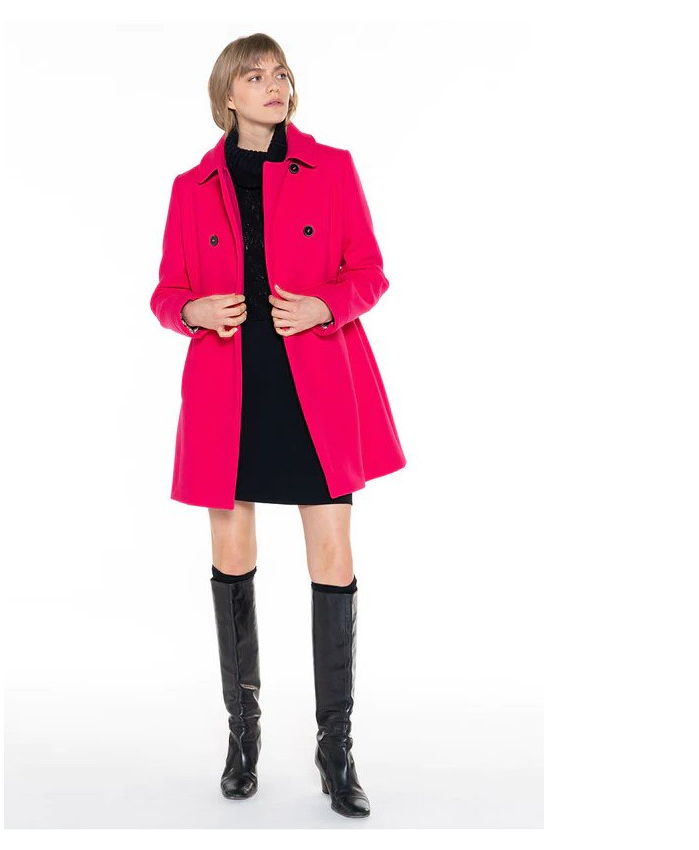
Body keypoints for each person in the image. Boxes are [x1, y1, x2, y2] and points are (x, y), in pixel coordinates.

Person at [150, 33, 406, 819]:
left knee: (333, 553)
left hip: (316, 384)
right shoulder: (191, 186)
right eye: (256, 75)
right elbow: (165, 293)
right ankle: (243, 738)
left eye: (282, 74)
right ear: (226, 94)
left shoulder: (333, 168)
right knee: (232, 554)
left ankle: (337, 748)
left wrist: (326, 304)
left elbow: (370, 272)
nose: (274, 85)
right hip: (231, 387)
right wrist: (191, 311)